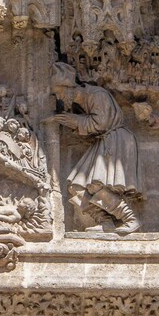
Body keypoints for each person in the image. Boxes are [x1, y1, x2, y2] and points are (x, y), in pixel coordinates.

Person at [48, 62, 142, 234]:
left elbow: (101, 123)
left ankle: (130, 218)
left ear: (68, 87)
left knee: (95, 184)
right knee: (76, 186)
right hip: (104, 141)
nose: (59, 97)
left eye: (59, 92)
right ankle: (105, 222)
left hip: (116, 140)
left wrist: (74, 120)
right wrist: (73, 121)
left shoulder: (97, 94)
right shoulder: (82, 101)